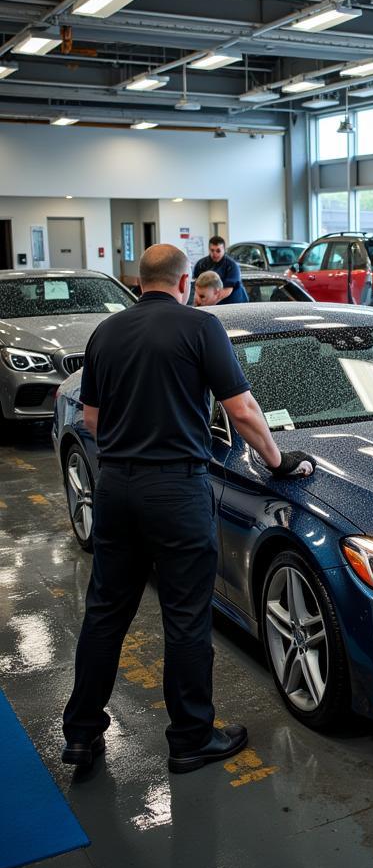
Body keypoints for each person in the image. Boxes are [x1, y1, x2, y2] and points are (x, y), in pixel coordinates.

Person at [61, 244, 315, 774]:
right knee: (185, 617)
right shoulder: (201, 328)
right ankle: (190, 738)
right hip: (177, 490)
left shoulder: (106, 333)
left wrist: (129, 452)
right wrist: (279, 460)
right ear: (183, 284)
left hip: (118, 488)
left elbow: (90, 419)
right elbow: (241, 409)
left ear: (139, 283)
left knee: (106, 612)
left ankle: (81, 735)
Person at [192, 236, 248, 304]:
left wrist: (208, 305)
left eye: (218, 251)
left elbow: (227, 290)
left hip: (232, 304)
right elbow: (197, 287)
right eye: (212, 250)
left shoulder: (232, 266)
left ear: (224, 249)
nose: (215, 253)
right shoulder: (201, 264)